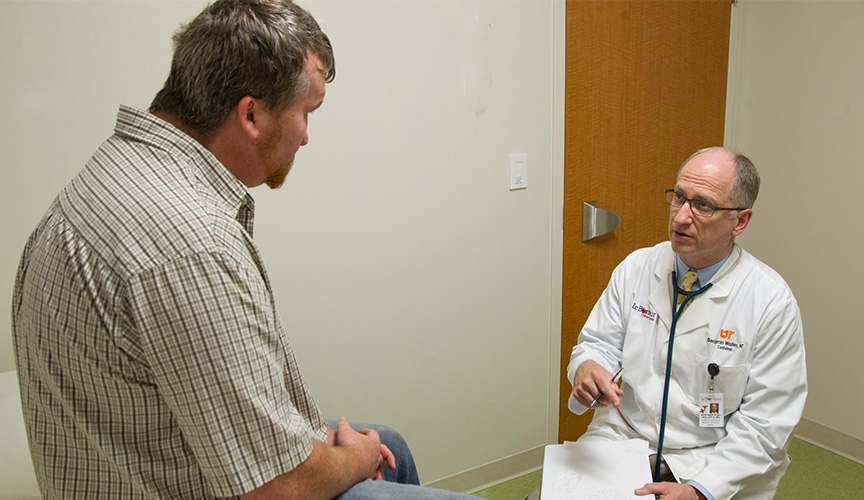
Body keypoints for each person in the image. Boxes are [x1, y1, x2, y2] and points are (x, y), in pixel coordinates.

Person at [11, 1, 477, 499]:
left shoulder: (113, 172)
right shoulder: (192, 243)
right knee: (381, 455)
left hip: (137, 452)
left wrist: (343, 453)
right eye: (306, 113)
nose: (305, 137)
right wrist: (353, 458)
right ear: (251, 114)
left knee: (393, 447)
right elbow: (277, 487)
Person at [566, 148, 807, 500]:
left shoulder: (769, 301)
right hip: (623, 436)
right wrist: (588, 368)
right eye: (678, 197)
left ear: (740, 221)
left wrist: (700, 490)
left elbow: (766, 423)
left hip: (712, 460)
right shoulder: (637, 267)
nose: (680, 217)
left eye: (703, 205)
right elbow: (597, 343)